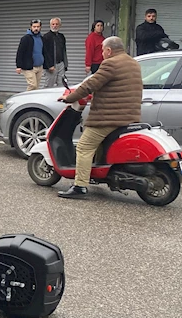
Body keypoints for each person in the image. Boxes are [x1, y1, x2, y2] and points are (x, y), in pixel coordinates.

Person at [58, 36, 142, 199]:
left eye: (103, 50)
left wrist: (69, 97)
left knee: (84, 147)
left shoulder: (110, 63)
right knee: (100, 145)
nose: (102, 54)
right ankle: (99, 174)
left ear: (109, 51)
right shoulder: (133, 63)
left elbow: (91, 84)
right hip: (129, 115)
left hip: (109, 117)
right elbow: (113, 86)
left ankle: (80, 186)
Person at [15, 19, 45, 91]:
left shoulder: (41, 38)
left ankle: (33, 101)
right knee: (32, 85)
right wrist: (18, 66)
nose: (36, 28)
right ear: (31, 27)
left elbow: (44, 51)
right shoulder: (26, 38)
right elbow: (20, 52)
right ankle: (25, 99)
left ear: (40, 27)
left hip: (39, 66)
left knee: (36, 87)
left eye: (38, 27)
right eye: (34, 26)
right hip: (29, 67)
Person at [42, 17, 68, 89]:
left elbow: (64, 51)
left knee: (61, 84)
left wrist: (65, 64)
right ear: (50, 25)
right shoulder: (46, 37)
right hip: (51, 65)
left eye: (57, 24)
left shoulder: (61, 36)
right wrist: (49, 65)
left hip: (61, 64)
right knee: (49, 85)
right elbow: (45, 52)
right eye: (53, 24)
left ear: (60, 25)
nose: (55, 26)